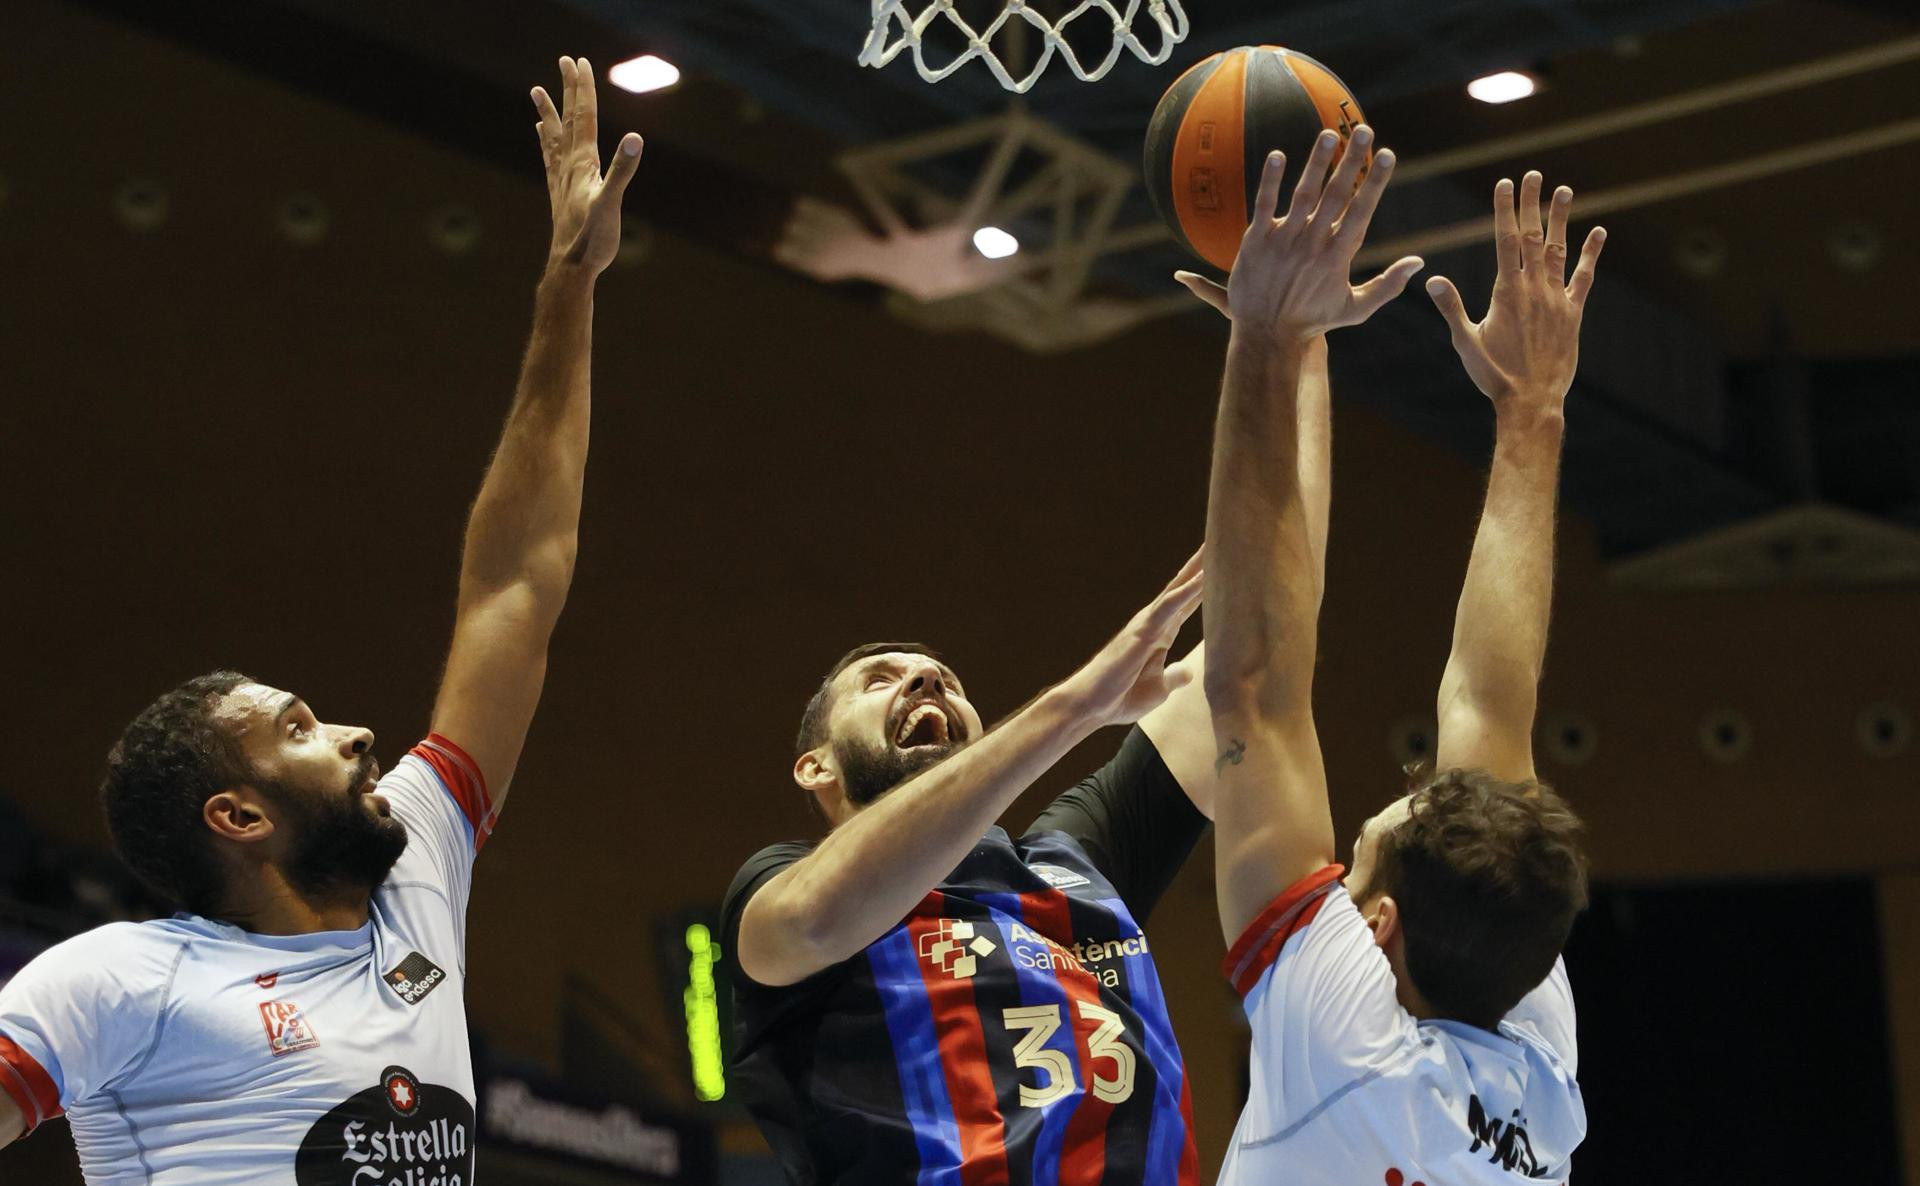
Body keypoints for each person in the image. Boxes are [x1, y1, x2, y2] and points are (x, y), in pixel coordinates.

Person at [0, 58, 641, 1184]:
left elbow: (516, 586)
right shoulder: (116, 981)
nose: (355, 735)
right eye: (298, 727)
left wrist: (566, 293)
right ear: (238, 813)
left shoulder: (415, 867)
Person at [1198, 126, 1604, 1183]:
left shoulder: (1364, 1047)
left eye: (1383, 826)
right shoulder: (1530, 1074)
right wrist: (1528, 414)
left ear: (1378, 928)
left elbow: (1255, 691)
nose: (1409, 785)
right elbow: (1484, 705)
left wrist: (1266, 339)